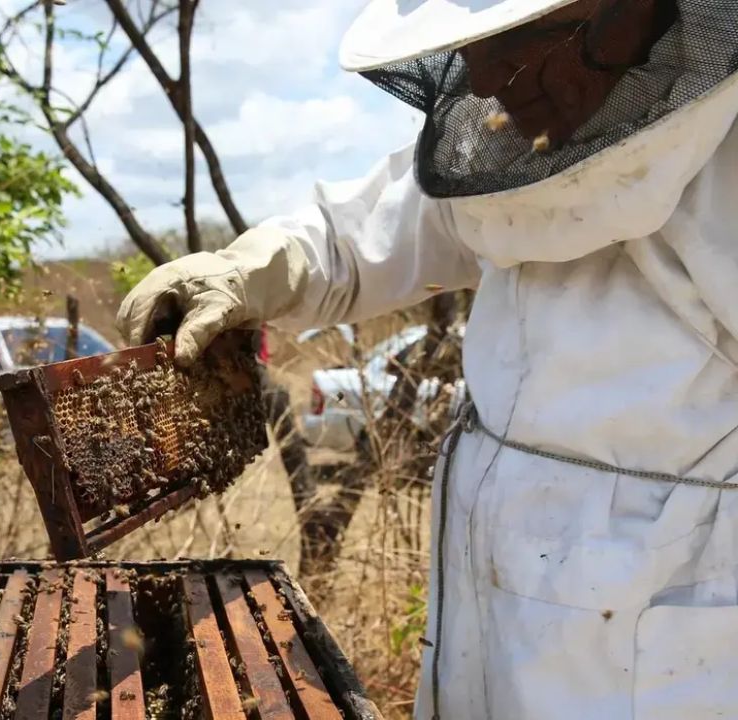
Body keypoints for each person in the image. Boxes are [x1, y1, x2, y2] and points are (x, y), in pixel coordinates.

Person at [117, 0, 738, 717]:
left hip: (681, 643)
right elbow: (358, 236)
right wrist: (248, 269)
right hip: (491, 616)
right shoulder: (514, 149)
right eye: (469, 50)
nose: (488, 83)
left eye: (517, 41)